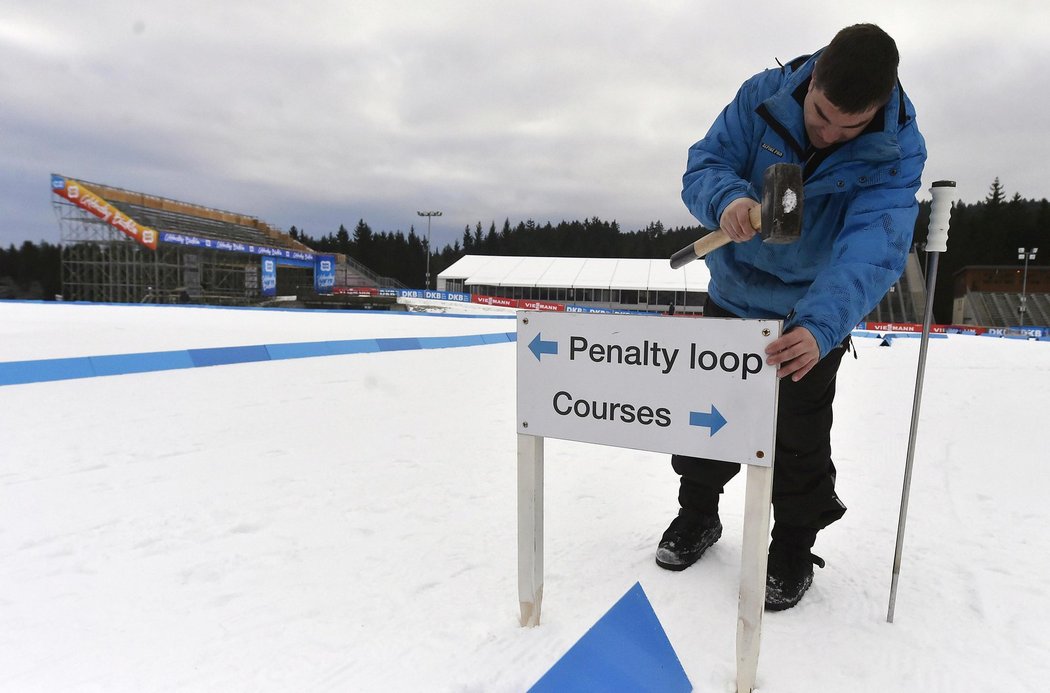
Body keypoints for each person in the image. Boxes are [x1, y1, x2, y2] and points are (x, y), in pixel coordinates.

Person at [657, 24, 927, 611]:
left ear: (879, 107)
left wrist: (820, 326)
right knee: (710, 418)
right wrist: (727, 199)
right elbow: (704, 163)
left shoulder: (897, 150)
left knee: (799, 439)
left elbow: (873, 246)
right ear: (814, 77)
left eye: (846, 126)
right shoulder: (763, 95)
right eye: (821, 113)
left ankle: (793, 550)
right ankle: (697, 514)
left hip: (808, 315)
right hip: (731, 296)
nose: (826, 132)